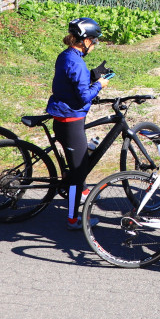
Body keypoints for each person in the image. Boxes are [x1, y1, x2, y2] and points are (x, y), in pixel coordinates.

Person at [45, 17, 111, 230]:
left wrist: (91, 76)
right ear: (85, 40)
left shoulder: (66, 56)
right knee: (78, 172)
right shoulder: (76, 61)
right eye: (94, 40)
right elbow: (84, 97)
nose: (95, 44)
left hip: (64, 118)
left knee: (78, 163)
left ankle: (81, 191)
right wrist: (99, 84)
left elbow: (71, 82)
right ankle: (73, 219)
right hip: (70, 121)